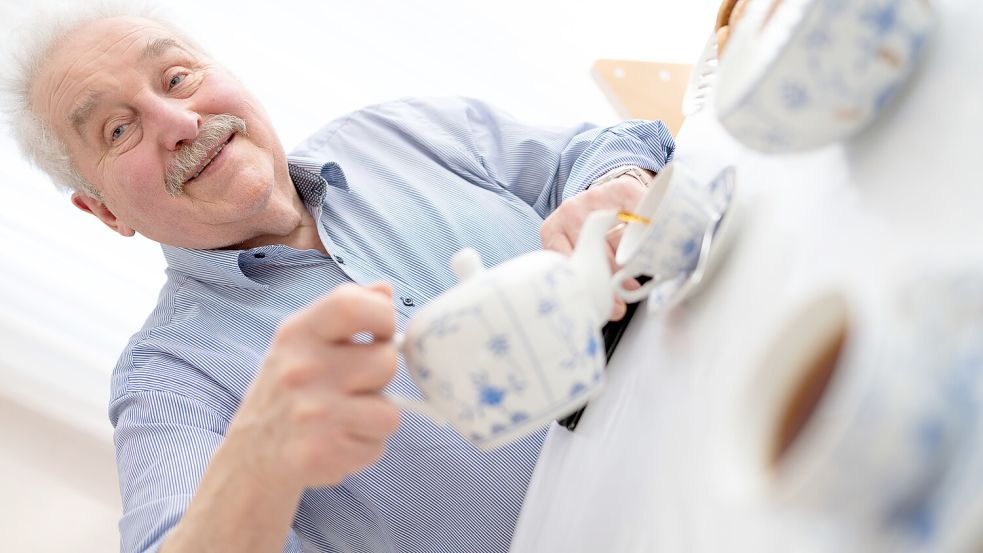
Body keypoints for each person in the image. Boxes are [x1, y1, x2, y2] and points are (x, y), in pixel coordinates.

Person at [6, 4, 674, 552]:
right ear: (104, 211)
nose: (181, 124)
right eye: (119, 128)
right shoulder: (170, 381)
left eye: (177, 78)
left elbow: (605, 150)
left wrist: (616, 190)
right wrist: (258, 462)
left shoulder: (400, 132)